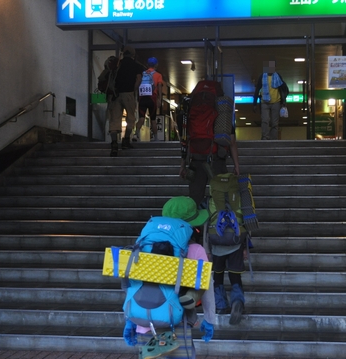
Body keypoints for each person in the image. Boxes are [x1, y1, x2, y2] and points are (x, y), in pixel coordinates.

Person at [122, 196, 215, 358]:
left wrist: (129, 320)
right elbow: (206, 286)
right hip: (177, 323)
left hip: (143, 321)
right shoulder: (195, 250)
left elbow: (133, 284)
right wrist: (209, 319)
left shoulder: (143, 247)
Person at [179, 124, 240, 207]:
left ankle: (196, 217)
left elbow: (184, 141)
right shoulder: (222, 114)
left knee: (195, 197)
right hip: (217, 159)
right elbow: (232, 142)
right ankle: (220, 217)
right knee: (220, 196)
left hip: (196, 160)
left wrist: (183, 165)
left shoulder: (193, 114)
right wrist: (236, 165)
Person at [109, 46, 144, 157]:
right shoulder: (136, 66)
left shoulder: (117, 64)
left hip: (116, 94)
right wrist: (133, 89)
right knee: (131, 118)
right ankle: (126, 141)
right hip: (128, 93)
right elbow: (138, 80)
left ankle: (114, 144)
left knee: (115, 119)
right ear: (133, 54)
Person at [253, 60, 289, 140]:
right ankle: (265, 137)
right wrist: (254, 103)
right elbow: (257, 89)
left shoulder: (278, 76)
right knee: (265, 121)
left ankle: (273, 139)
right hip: (264, 102)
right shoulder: (262, 76)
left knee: (274, 123)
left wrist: (283, 101)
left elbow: (284, 89)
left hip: (276, 102)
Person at [133, 56, 163, 142]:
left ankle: (136, 134)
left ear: (147, 65)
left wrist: (136, 98)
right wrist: (159, 99)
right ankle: (156, 137)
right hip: (152, 98)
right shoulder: (158, 75)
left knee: (141, 118)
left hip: (142, 98)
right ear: (156, 65)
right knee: (153, 119)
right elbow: (160, 87)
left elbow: (138, 85)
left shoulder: (142, 74)